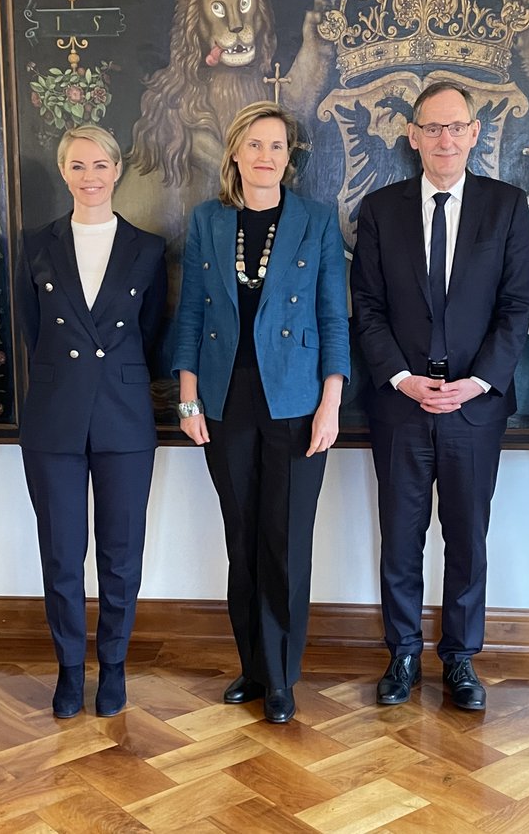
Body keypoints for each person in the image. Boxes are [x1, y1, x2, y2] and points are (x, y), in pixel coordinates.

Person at [350, 81, 529, 711]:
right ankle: (402, 653)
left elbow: (517, 307)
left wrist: (476, 381)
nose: (444, 139)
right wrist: (402, 378)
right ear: (412, 135)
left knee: (467, 534)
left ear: (475, 133)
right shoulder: (380, 210)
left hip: (475, 407)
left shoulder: (506, 207)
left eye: (456, 127)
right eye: (432, 128)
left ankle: (459, 658)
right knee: (400, 535)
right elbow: (367, 309)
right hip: (399, 404)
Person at [172, 101, 349, 724]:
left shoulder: (316, 220)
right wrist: (188, 399)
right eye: (255, 145)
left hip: (298, 402)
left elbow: (333, 317)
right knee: (242, 537)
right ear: (236, 154)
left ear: (287, 157)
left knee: (285, 540)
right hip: (225, 402)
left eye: (277, 146)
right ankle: (251, 665)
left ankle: (281, 677)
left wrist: (331, 403)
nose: (266, 156)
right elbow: (190, 314)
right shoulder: (208, 221)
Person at [15, 125, 166, 718]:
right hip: (54, 418)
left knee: (121, 552)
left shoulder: (148, 248)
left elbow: (151, 331)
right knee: (60, 551)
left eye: (101, 164)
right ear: (65, 172)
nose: (91, 176)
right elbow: (33, 331)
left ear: (118, 170)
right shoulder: (36, 244)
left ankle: (115, 667)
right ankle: (69, 671)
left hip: (125, 419)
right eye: (79, 165)